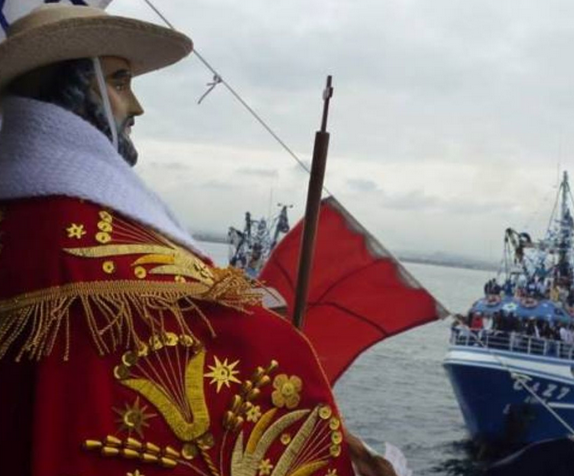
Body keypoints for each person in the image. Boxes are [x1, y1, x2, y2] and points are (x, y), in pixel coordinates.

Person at [0, 5, 393, 476]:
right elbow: (255, 359)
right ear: (74, 85)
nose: (137, 106)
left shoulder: (19, 230)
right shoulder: (114, 258)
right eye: (121, 81)